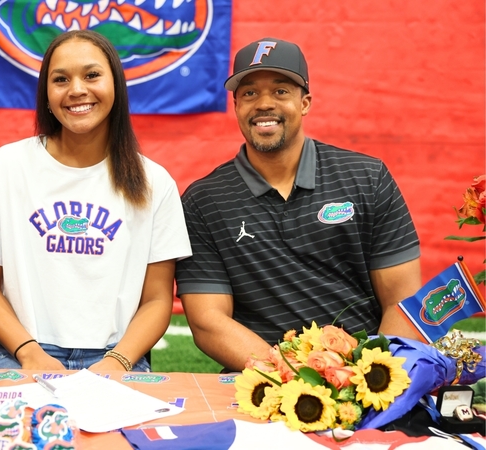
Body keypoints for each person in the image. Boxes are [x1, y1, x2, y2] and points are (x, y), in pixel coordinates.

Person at [174, 38, 421, 371]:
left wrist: (368, 376)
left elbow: (403, 301)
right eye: (249, 93)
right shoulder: (204, 201)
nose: (263, 104)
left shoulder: (367, 177)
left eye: (280, 91)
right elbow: (209, 320)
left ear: (304, 102)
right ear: (235, 106)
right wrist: (292, 380)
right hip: (261, 382)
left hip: (363, 380)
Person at [0, 30, 191, 372]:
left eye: (91, 75)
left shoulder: (154, 182)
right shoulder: (6, 166)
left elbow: (158, 299)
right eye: (60, 79)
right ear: (46, 93)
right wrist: (29, 353)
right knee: (8, 428)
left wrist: (117, 361)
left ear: (115, 82)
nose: (76, 90)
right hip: (18, 353)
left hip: (115, 355)